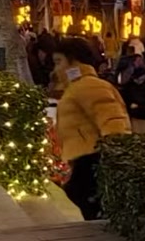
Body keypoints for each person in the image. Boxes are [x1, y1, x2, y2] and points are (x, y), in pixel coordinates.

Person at [51, 38, 130, 220]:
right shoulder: (77, 86)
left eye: (59, 61)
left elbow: (112, 121)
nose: (56, 69)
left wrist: (113, 155)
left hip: (92, 157)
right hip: (85, 157)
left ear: (74, 61)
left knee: (84, 198)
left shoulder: (88, 85)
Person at [117, 43, 145, 135]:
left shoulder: (143, 76)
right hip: (138, 109)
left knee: (142, 130)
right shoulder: (130, 74)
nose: (139, 62)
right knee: (140, 130)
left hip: (141, 109)